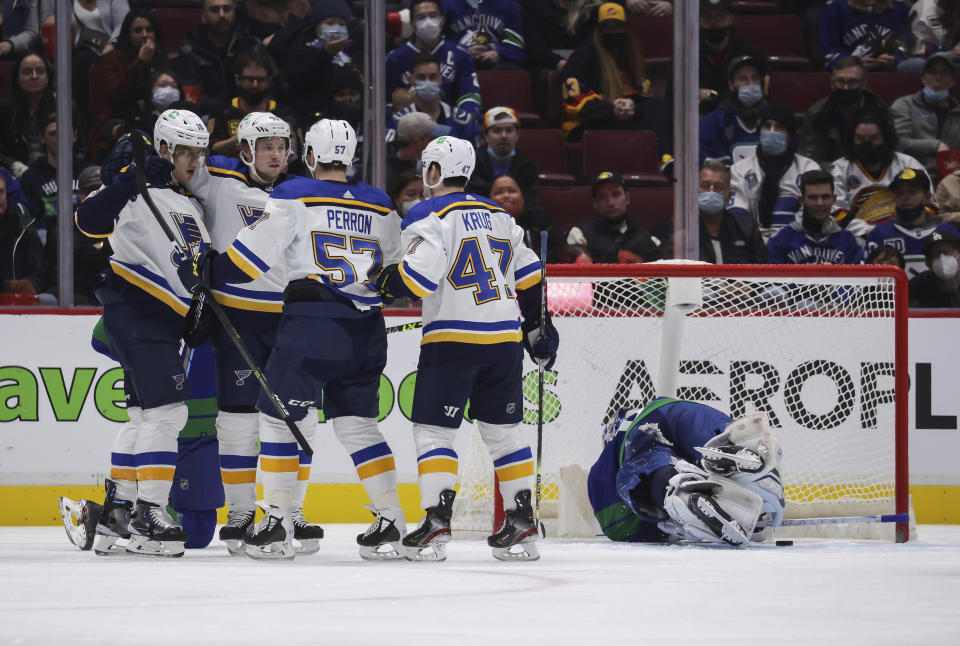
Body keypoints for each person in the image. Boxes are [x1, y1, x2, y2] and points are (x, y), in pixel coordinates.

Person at [183, 119, 407, 561]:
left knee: (277, 416)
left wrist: (207, 271)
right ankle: (392, 521)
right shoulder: (381, 204)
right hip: (367, 328)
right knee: (358, 425)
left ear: (308, 156)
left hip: (311, 322)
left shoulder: (293, 193)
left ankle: (276, 519)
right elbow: (398, 274)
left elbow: (248, 260)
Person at [373, 135, 559, 562]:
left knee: (434, 432)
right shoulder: (501, 215)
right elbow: (531, 274)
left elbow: (418, 280)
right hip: (503, 341)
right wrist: (538, 327)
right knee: (504, 433)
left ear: (433, 171)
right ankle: (522, 520)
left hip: (452, 341)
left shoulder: (428, 213)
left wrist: (385, 280)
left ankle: (437, 521)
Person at [183, 111, 321, 555]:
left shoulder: (302, 193)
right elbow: (180, 166)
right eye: (265, 146)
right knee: (238, 417)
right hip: (238, 317)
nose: (276, 153)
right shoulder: (218, 179)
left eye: (281, 144)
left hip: (290, 315)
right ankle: (241, 511)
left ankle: (290, 510)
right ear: (244, 150)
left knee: (299, 415)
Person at [75, 108, 211, 557]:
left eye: (200, 152)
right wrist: (123, 182)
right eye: (186, 151)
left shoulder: (191, 205)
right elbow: (88, 222)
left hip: (160, 321)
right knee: (169, 415)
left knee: (144, 418)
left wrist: (199, 308)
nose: (195, 161)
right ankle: (150, 512)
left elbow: (192, 272)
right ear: (166, 149)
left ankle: (118, 510)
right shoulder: (135, 191)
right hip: (134, 310)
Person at [587, 400, 784, 546]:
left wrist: (665, 526)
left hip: (645, 433)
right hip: (669, 410)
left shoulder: (611, 453)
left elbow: (617, 526)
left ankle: (679, 490)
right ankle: (744, 443)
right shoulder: (658, 408)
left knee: (653, 467)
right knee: (717, 437)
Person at [561, 1, 670, 150]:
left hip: (622, 117)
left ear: (626, 30)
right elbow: (574, 98)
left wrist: (630, 105)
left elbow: (642, 92)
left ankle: (666, 161)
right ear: (598, 31)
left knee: (656, 106)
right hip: (587, 123)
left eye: (617, 26)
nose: (613, 32)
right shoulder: (582, 56)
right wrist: (611, 108)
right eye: (607, 27)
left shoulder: (632, 58)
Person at [831, 110, 930, 236]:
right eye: (860, 139)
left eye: (874, 138)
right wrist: (873, 232)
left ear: (885, 138)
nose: (867, 144)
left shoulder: (908, 163)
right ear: (851, 139)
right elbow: (836, 213)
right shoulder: (839, 169)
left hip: (909, 232)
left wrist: (903, 230)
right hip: (859, 238)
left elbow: (930, 204)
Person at [728, 105, 820, 238]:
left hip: (798, 243)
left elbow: (814, 215)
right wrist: (758, 242)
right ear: (759, 131)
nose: (772, 131)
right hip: (755, 243)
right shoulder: (739, 170)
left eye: (779, 127)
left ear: (790, 135)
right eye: (767, 126)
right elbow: (737, 214)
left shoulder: (808, 168)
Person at [385, 0, 481, 126]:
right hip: (408, 127)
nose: (428, 21)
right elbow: (385, 101)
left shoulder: (460, 55)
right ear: (412, 22)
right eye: (421, 17)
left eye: (433, 15)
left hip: (451, 126)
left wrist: (461, 123)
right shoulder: (395, 59)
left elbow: (469, 94)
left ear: (442, 19)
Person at [798, 56, 893, 168]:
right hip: (831, 175)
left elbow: (891, 153)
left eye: (852, 82)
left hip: (872, 172)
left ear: (864, 84)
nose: (846, 88)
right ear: (832, 83)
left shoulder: (880, 110)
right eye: (840, 81)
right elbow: (810, 160)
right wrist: (841, 172)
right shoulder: (816, 113)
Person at [865, 167, 957, 275]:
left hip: (939, 291)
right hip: (895, 292)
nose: (905, 197)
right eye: (899, 193)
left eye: (912, 192)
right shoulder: (880, 233)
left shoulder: (947, 231)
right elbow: (868, 277)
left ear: (927, 197)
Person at [767, 169, 864, 264]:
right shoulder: (781, 240)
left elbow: (858, 279)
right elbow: (768, 278)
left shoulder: (847, 241)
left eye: (825, 197)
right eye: (813, 198)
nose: (820, 203)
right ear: (802, 201)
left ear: (833, 199)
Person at [174, 0, 260, 107]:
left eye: (227, 9)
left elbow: (266, 88)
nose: (221, 15)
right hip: (207, 116)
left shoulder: (252, 46)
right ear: (204, 16)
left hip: (248, 113)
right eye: (214, 10)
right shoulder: (190, 52)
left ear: (234, 12)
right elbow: (192, 98)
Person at [20, 112, 89, 239]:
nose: (60, 137)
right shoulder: (31, 177)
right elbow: (32, 222)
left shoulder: (89, 172)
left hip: (88, 245)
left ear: (74, 136)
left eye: (65, 131)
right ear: (42, 138)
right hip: (49, 246)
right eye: (53, 133)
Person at [891, 53, 960, 181]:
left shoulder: (957, 113)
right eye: (932, 72)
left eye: (944, 73)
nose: (938, 78)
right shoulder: (905, 105)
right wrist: (935, 145)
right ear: (923, 78)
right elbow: (897, 141)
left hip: (952, 180)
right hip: (911, 178)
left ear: (952, 81)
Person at [386, 53, 481, 145]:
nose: (427, 82)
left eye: (432, 77)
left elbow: (475, 155)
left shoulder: (462, 121)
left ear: (440, 79)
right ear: (411, 80)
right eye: (421, 77)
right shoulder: (398, 122)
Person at [567, 171, 661, 263]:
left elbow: (662, 277)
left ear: (627, 198)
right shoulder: (579, 235)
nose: (610, 203)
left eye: (616, 195)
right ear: (594, 203)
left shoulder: (648, 240)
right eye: (602, 197)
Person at [208, 46, 284, 156]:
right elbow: (213, 149)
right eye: (249, 79)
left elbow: (290, 151)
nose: (255, 85)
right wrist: (243, 136)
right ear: (238, 79)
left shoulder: (281, 113)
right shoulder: (221, 111)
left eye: (260, 80)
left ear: (268, 81)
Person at [468, 107, 542, 213]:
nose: (503, 136)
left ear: (517, 134)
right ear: (486, 136)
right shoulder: (471, 164)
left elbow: (531, 205)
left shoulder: (528, 165)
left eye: (509, 130)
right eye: (497, 130)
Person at [697, 0, 765, 115]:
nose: (714, 22)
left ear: (731, 19)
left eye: (720, 16)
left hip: (741, 114)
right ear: (699, 21)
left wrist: (712, 95)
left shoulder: (751, 54)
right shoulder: (687, 56)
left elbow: (756, 92)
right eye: (708, 17)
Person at [699, 55, 768, 165]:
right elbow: (707, 164)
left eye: (755, 78)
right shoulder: (715, 122)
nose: (750, 83)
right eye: (743, 79)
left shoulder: (773, 119)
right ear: (731, 85)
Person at [697, 160, 768, 264]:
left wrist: (746, 281)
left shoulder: (746, 227)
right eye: (705, 185)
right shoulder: (684, 228)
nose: (711, 192)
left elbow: (763, 270)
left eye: (718, 187)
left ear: (729, 196)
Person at [0, 52, 56, 175]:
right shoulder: (4, 110)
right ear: (17, 78)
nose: (34, 76)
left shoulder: (61, 108)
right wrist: (13, 165)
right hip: (16, 174)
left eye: (40, 71)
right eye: (27, 72)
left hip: (54, 173)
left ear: (48, 77)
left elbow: (80, 148)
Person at [819, 0, 911, 71]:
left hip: (890, 74)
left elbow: (907, 45)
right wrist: (852, 63)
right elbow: (829, 52)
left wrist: (895, 58)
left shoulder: (900, 7)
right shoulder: (835, 7)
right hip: (848, 76)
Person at [0, 171, 45, 301]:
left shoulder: (24, 227)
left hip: (22, 301)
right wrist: (10, 286)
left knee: (49, 299)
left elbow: (39, 271)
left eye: (1, 192)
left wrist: (31, 284)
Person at [442, 0, 525, 69]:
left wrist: (499, 54)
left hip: (497, 66)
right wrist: (463, 52)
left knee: (510, 69)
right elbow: (437, 43)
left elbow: (515, 43)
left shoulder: (508, 5)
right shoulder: (445, 4)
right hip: (456, 64)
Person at [490, 174, 555, 253]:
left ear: (523, 198)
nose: (506, 195)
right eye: (499, 192)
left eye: (512, 191)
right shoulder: (480, 229)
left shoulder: (543, 226)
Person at [909, 227, 960, 306]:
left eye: (948, 252)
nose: (942, 258)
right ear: (928, 263)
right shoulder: (917, 286)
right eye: (936, 254)